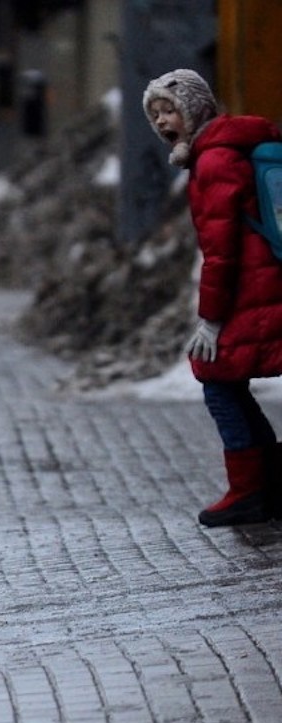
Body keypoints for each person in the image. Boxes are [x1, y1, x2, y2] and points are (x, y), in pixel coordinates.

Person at [143, 69, 282, 527]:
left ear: (196, 108)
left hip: (255, 291)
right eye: (156, 113)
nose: (163, 121)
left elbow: (221, 253)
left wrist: (211, 320)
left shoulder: (216, 159)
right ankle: (266, 487)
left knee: (217, 378)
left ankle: (250, 491)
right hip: (262, 286)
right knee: (225, 381)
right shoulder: (227, 147)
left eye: (170, 109)